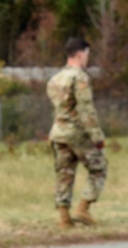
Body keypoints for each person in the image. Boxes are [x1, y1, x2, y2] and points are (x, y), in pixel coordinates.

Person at [46, 37, 108, 229]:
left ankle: (64, 219)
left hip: (58, 133)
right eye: (87, 55)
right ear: (81, 54)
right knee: (99, 168)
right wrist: (97, 137)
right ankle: (83, 208)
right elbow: (85, 110)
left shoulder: (55, 78)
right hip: (77, 134)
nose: (87, 59)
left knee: (64, 174)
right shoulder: (79, 77)